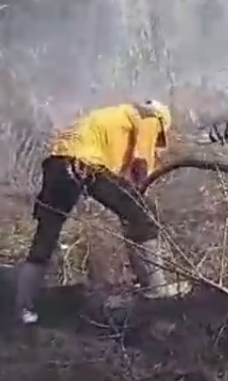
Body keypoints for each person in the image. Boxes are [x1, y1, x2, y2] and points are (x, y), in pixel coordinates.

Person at [13, 100, 188, 325]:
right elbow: (141, 162)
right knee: (142, 215)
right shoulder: (149, 117)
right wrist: (142, 201)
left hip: (56, 163)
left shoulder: (114, 117)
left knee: (46, 234)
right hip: (85, 164)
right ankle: (155, 290)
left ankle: (23, 307)